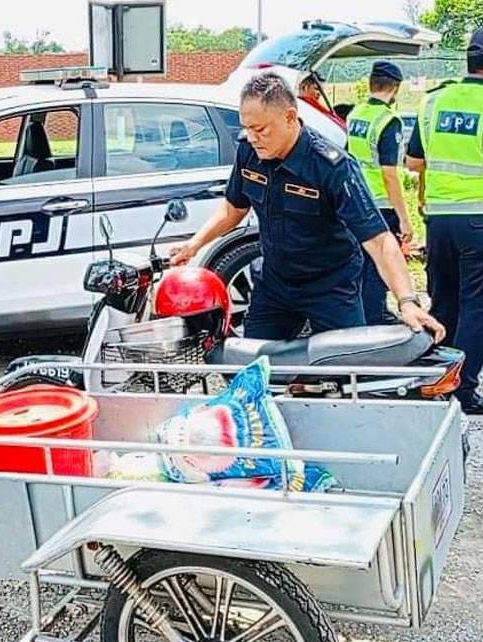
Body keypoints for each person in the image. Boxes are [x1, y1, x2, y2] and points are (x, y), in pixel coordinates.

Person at [171, 72, 443, 343]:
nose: (252, 138)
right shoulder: (249, 152)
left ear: (290, 118)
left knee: (345, 372)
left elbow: (378, 240)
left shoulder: (331, 166)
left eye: (261, 129)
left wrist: (406, 301)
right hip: (274, 284)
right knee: (256, 366)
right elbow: (233, 209)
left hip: (330, 287)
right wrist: (193, 245)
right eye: (247, 128)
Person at [405, 27, 483, 413]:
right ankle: (464, 388)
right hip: (478, 219)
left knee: (444, 301)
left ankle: (433, 379)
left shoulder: (433, 102)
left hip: (437, 219)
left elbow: (413, 162)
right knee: (477, 305)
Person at [346, 60, 414, 325]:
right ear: (395, 89)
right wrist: (404, 218)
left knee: (359, 264)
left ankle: (362, 315)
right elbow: (389, 174)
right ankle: (375, 318)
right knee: (380, 264)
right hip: (380, 205)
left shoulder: (355, 114)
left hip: (355, 199)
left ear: (370, 84)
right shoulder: (389, 120)